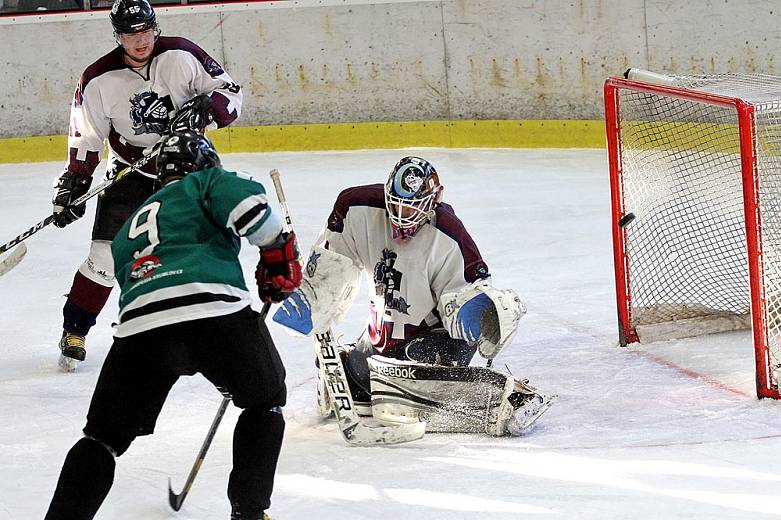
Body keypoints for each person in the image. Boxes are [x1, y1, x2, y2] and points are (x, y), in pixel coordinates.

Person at [44, 131, 301, 520]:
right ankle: (249, 513)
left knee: (101, 438)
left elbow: (149, 289)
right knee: (264, 400)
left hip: (138, 331)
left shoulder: (131, 222)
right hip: (214, 313)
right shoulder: (206, 182)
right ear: (203, 164)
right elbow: (251, 206)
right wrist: (277, 252)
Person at [273, 156, 554, 437]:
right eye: (395, 204)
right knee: (358, 378)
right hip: (383, 335)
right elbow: (334, 261)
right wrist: (312, 293)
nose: (400, 214)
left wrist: (483, 313)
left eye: (411, 208)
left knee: (403, 375)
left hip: (435, 339)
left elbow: (464, 302)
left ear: (435, 201)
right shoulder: (356, 208)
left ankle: (510, 397)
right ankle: (389, 382)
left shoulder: (450, 237)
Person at [52, 0, 243, 371]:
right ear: (117, 36)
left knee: (197, 253)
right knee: (105, 255)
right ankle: (75, 330)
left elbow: (231, 91)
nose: (140, 41)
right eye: (130, 34)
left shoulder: (183, 54)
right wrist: (74, 184)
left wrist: (208, 107)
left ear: (155, 27)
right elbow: (86, 137)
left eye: (146, 31)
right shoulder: (97, 79)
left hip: (188, 168)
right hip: (129, 171)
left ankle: (203, 331)